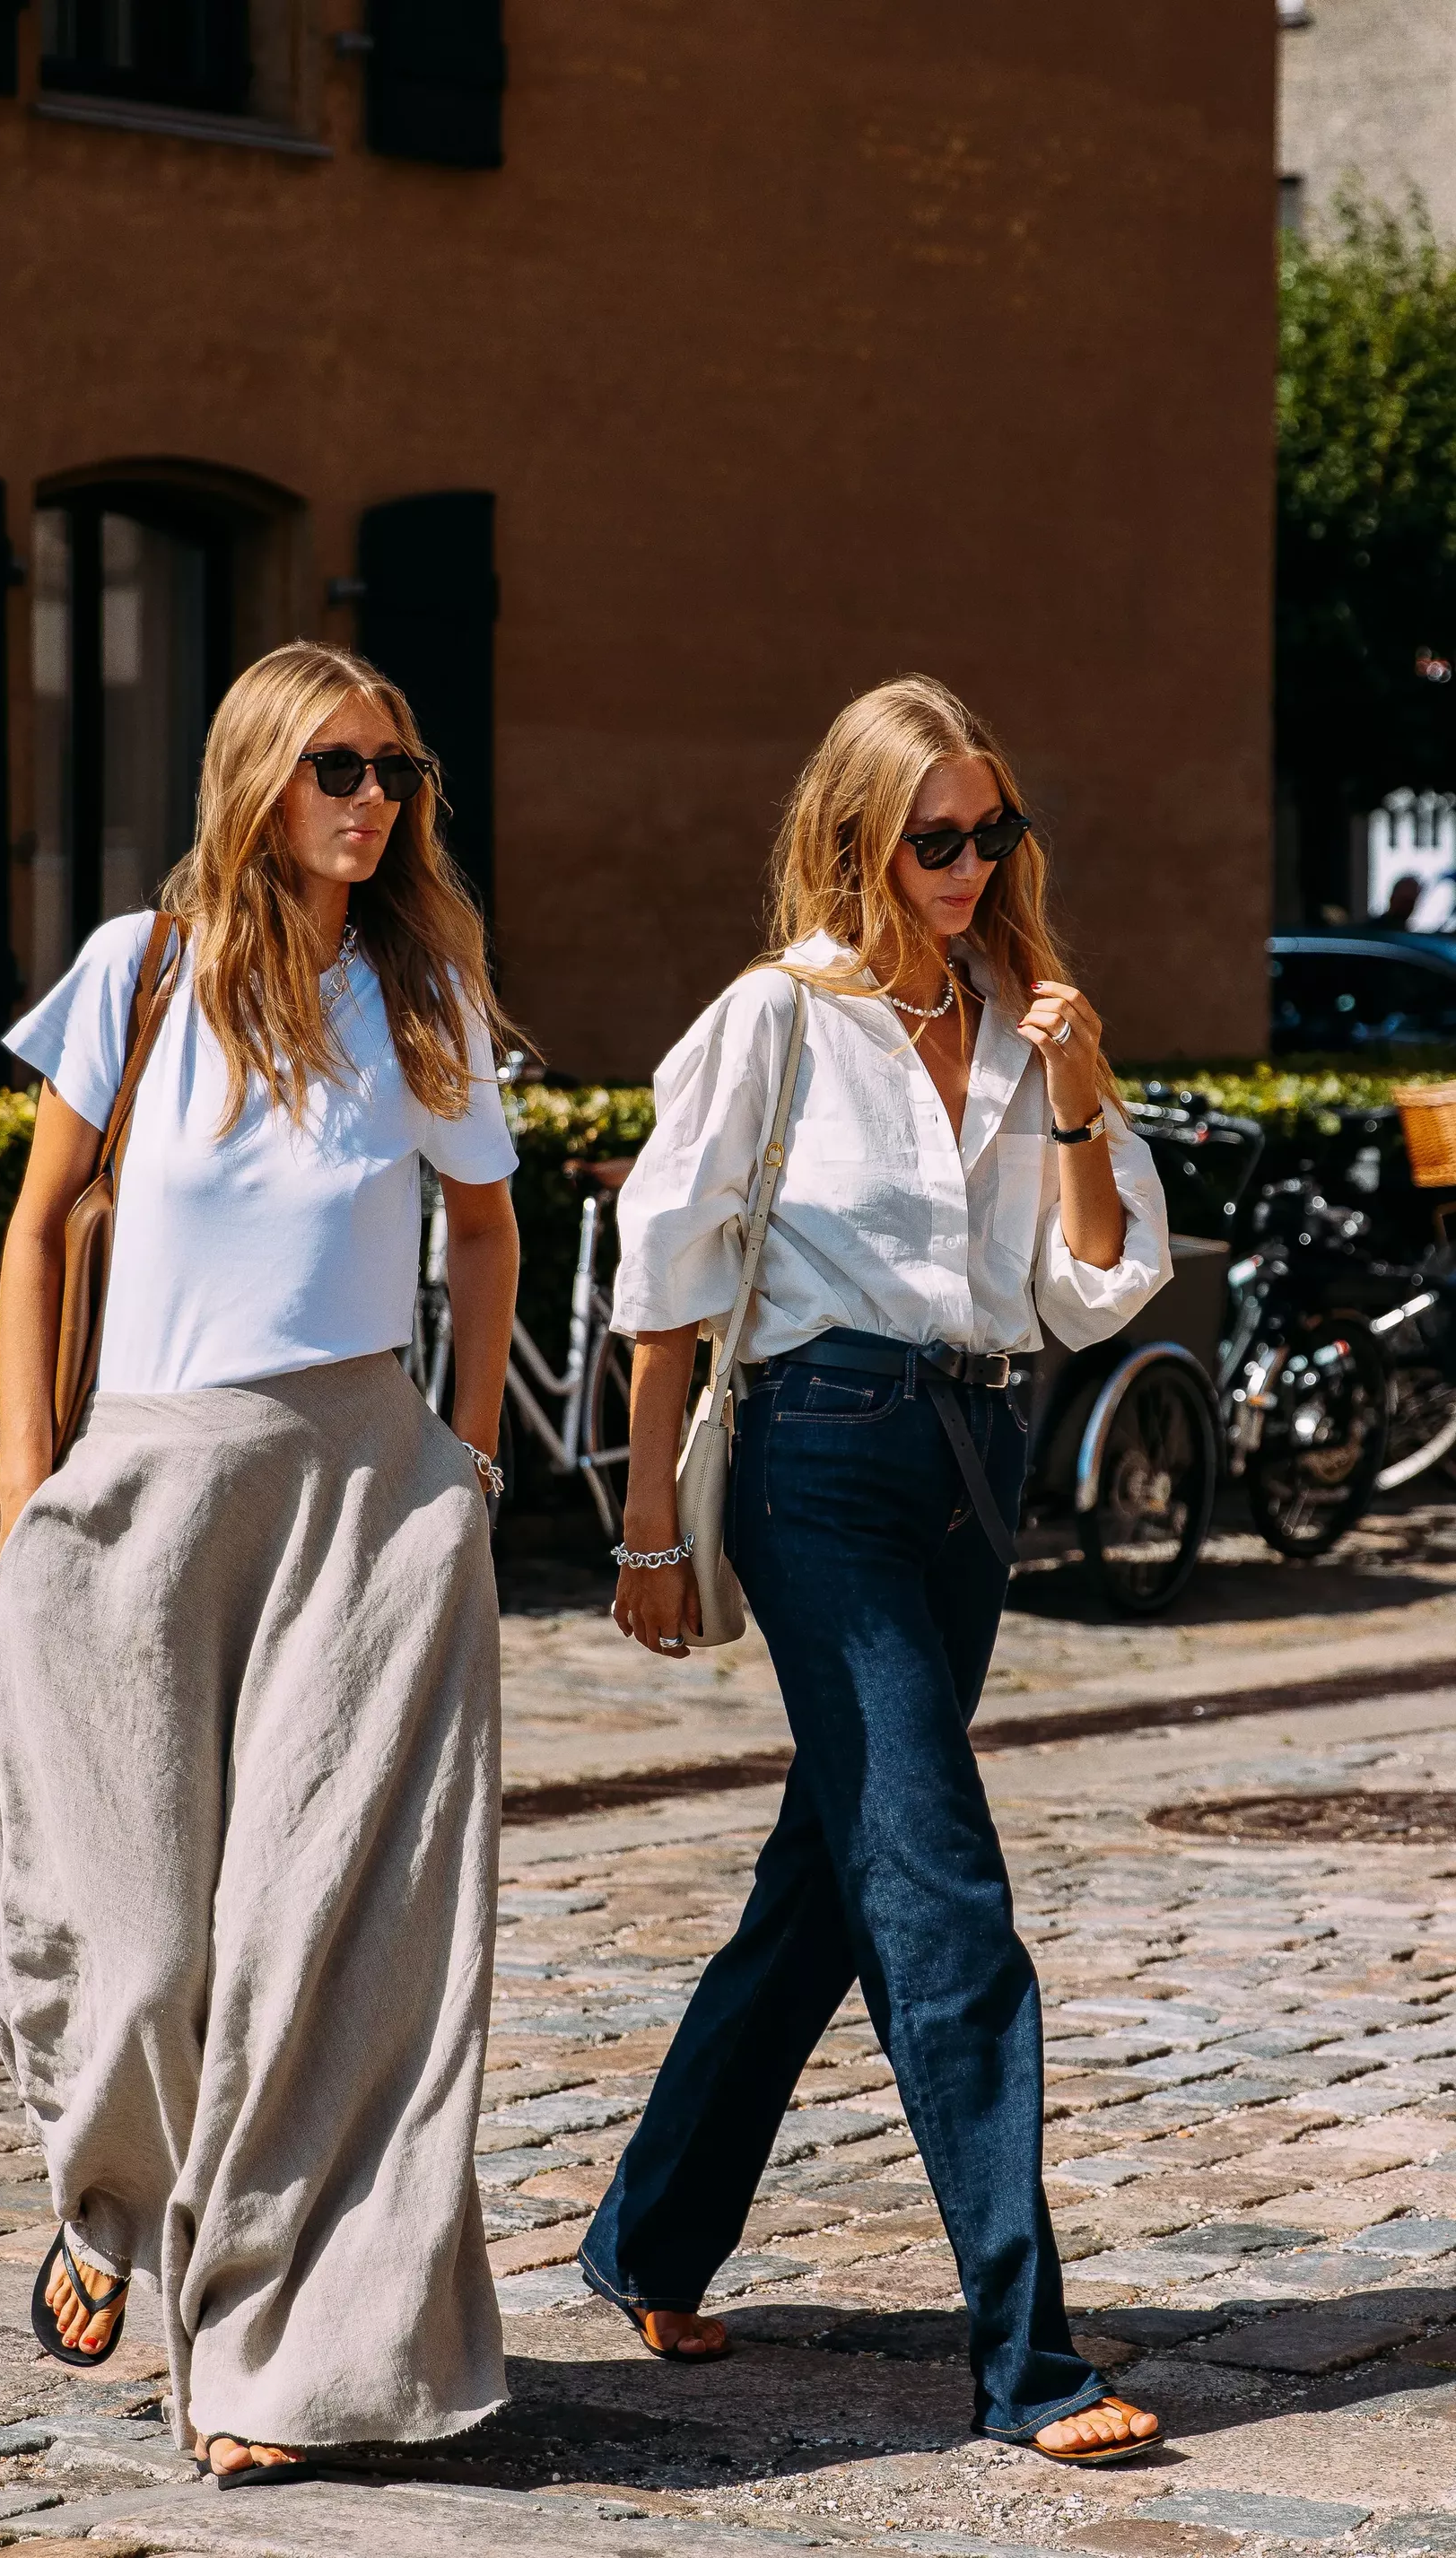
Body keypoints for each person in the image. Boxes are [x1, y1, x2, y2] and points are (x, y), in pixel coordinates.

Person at [580, 676, 1173, 2470]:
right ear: (851, 838)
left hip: (972, 1466)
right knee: (938, 1894)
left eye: (991, 832)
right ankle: (1029, 2361)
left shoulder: (1021, 1014)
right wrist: (647, 1529)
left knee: (828, 1885)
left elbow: (1095, 1284)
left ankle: (651, 2240)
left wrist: (1071, 1096)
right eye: (933, 837)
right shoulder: (774, 1020)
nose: (968, 863)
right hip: (821, 1455)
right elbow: (666, 1276)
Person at [0, 642, 520, 2481]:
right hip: (142, 1489)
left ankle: (282, 2370)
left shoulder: (421, 990)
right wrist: (47, 1484)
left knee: (333, 1957)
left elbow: (484, 1231)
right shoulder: (137, 973)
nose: (372, 803)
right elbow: (42, 1228)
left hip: (367, 1499)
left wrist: (464, 1454)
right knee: (135, 1949)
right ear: (256, 781)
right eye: (337, 771)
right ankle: (108, 2198)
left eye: (392, 772)